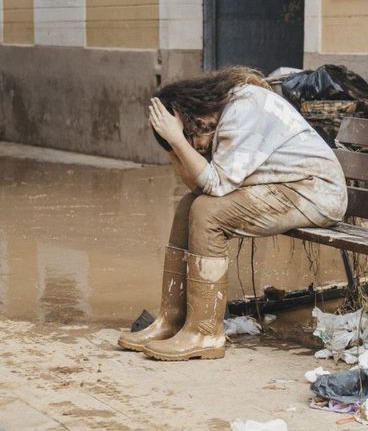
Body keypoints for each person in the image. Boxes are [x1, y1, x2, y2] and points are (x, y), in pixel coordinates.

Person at [117, 66, 347, 360]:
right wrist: (173, 148)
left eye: (190, 140)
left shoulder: (242, 109)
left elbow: (215, 184)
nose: (196, 149)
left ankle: (205, 332)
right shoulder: (222, 114)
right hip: (287, 186)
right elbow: (198, 186)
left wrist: (176, 139)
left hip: (315, 191)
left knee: (206, 212)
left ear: (194, 119)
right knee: (189, 205)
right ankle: (171, 319)